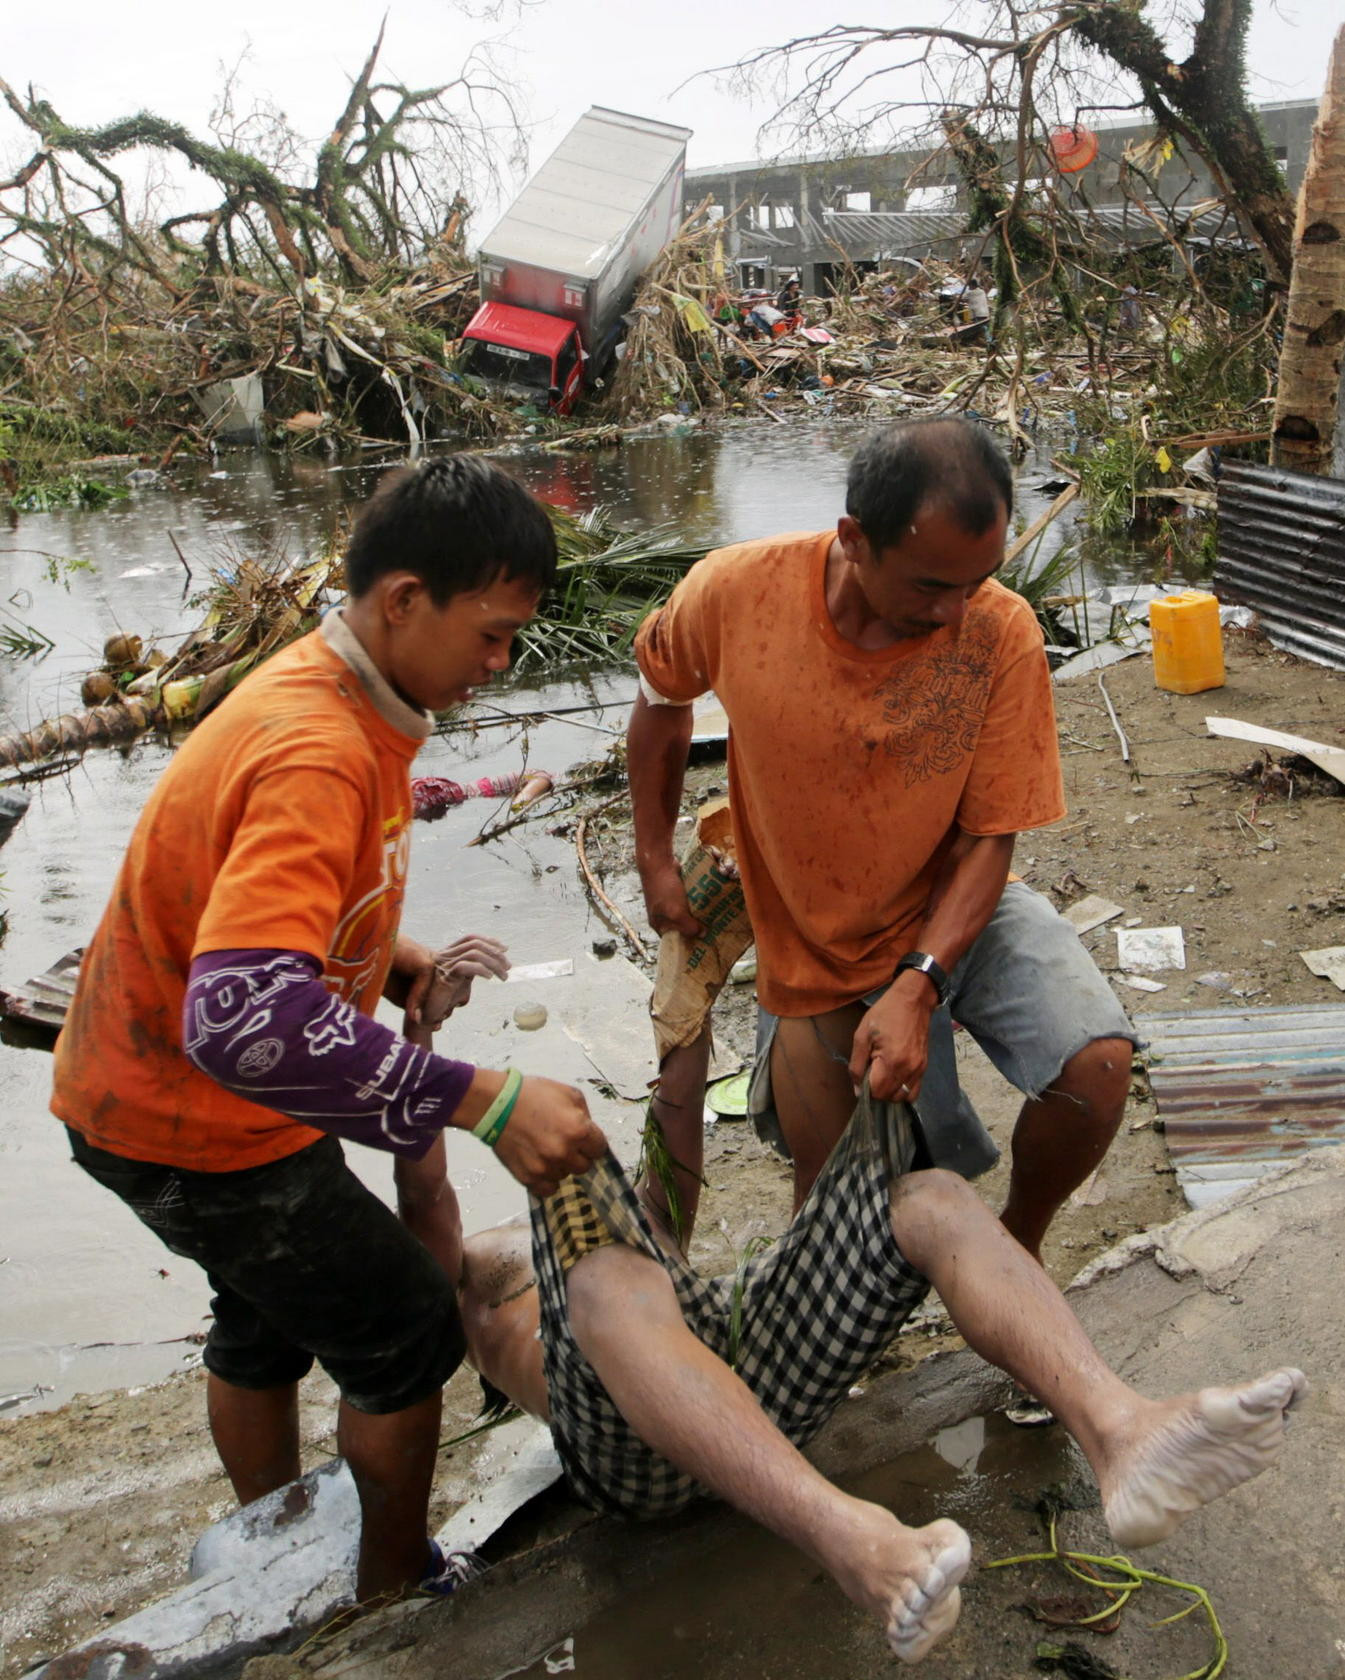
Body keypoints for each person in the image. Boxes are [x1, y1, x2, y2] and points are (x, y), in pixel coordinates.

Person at [51, 456, 607, 1604]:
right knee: (405, 1330)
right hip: (183, 1117)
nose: (498, 667)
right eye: (491, 636)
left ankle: (272, 1538)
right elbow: (244, 1013)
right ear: (403, 602)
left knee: (261, 1313)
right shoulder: (318, 745)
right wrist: (486, 1099)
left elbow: (258, 916)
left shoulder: (347, 696)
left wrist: (385, 957)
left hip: (165, 1090)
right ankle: (396, 1585)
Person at [455, 1089, 1306, 1665]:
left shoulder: (635, 1242)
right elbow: (421, 1226)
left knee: (928, 1195)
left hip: (729, 1374)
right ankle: (856, 1542)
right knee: (606, 1280)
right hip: (628, 1450)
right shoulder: (488, 1291)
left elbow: (671, 1185)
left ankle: (1122, 1432)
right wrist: (430, 1065)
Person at [627, 418, 1136, 1265]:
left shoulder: (997, 633)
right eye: (931, 585)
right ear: (854, 540)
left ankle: (1019, 1244)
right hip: (814, 951)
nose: (952, 612)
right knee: (837, 1215)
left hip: (954, 913)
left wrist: (920, 983)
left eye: (976, 581)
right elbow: (658, 695)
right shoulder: (734, 594)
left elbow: (988, 840)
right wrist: (651, 857)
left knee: (1096, 1069)